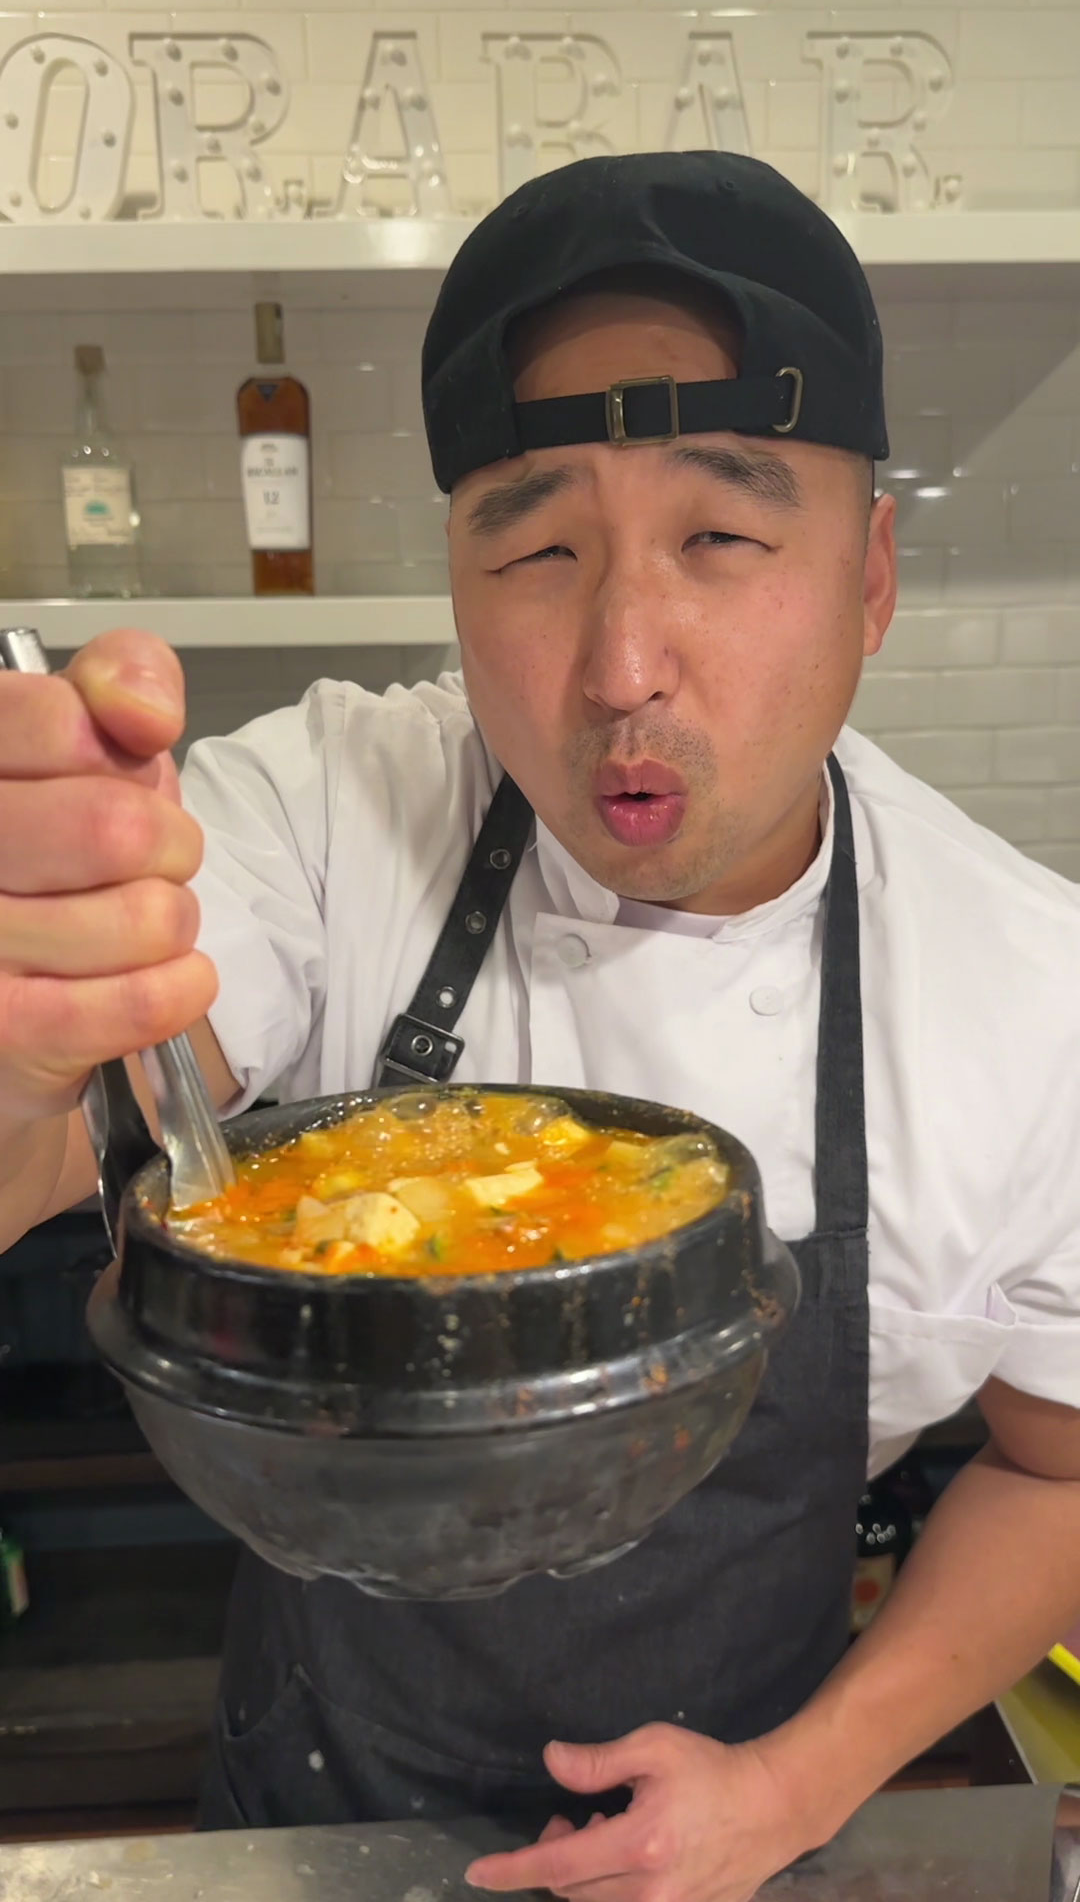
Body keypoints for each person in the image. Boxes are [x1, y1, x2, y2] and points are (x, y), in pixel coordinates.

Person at [2, 151, 1079, 1902]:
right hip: (313, 1813)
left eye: (721, 538)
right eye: (541, 545)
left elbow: (1060, 1473)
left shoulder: (1031, 1000)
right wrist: (32, 1017)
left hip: (749, 1828)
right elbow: (51, 1138)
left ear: (872, 578)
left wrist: (797, 1791)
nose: (621, 663)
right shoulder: (336, 810)